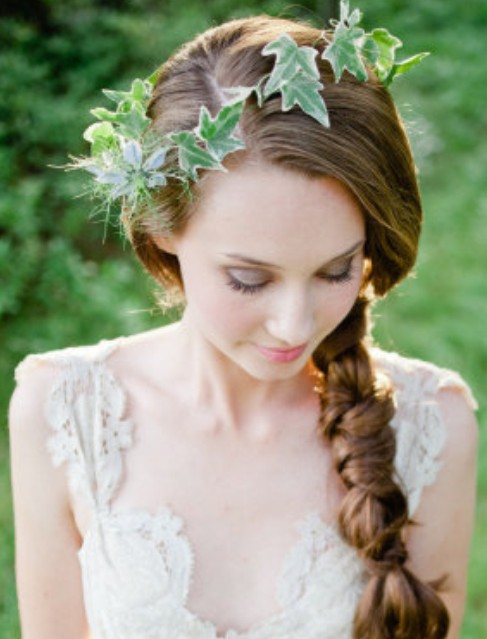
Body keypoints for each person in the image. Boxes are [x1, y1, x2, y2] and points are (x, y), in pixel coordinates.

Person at [9, 8, 478, 639]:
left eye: (336, 271)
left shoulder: (433, 424)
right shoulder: (66, 411)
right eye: (249, 279)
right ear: (162, 228)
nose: (293, 325)